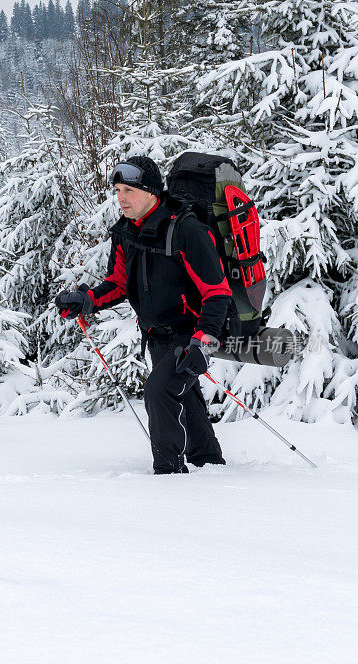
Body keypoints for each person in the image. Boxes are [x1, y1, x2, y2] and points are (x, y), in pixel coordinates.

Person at [55, 155, 232, 474]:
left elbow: (217, 291)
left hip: (191, 333)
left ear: (152, 192)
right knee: (185, 395)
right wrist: (86, 300)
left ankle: (168, 472)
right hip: (155, 334)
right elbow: (119, 281)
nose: (121, 197)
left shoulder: (186, 229)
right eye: (118, 190)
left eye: (129, 190)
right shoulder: (126, 232)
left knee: (159, 390)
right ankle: (208, 459)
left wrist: (202, 342)